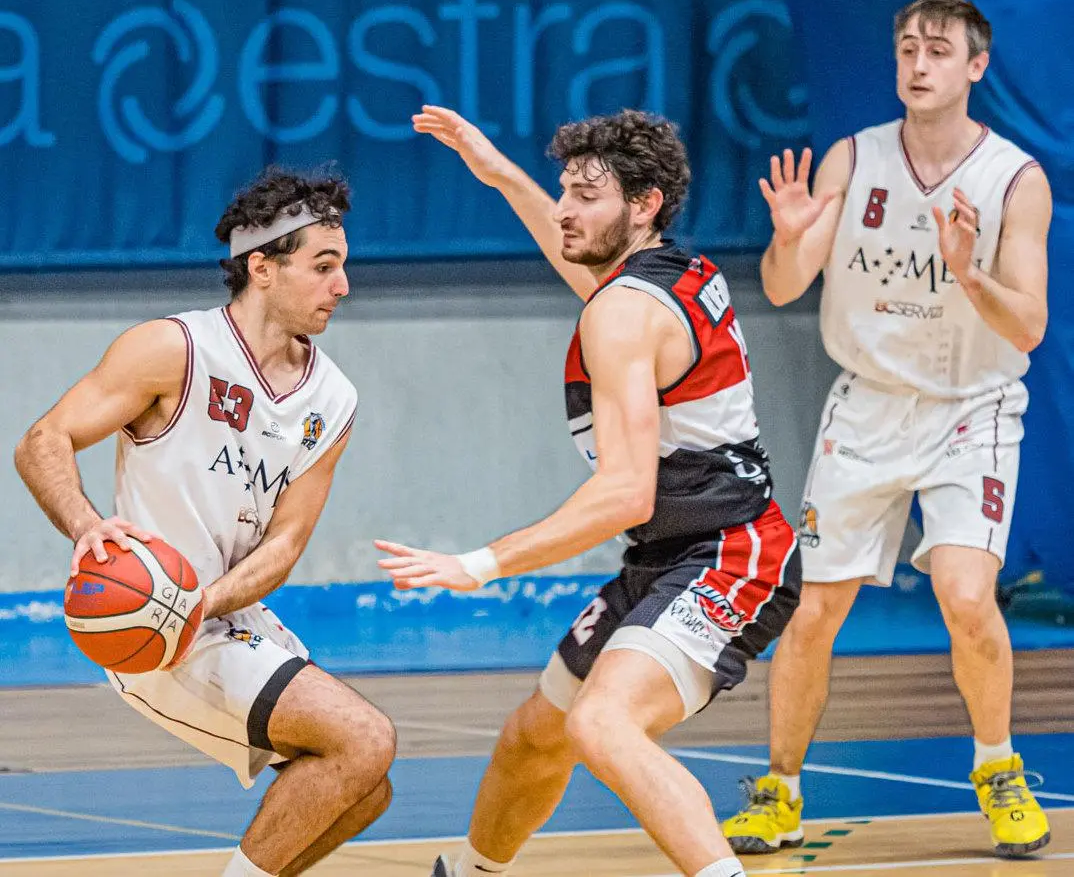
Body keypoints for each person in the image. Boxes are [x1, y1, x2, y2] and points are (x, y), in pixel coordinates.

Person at [376, 106, 802, 877]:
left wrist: (481, 562)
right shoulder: (661, 271)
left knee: (603, 724)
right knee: (535, 732)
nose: (566, 210)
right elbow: (580, 260)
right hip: (673, 553)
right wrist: (501, 171)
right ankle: (472, 870)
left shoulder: (623, 313)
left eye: (585, 195)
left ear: (643, 205)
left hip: (731, 555)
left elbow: (624, 496)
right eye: (563, 190)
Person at [720, 0, 1053, 859]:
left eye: (938, 50)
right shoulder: (851, 159)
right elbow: (787, 285)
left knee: (967, 597)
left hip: (970, 410)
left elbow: (1029, 326)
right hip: (868, 405)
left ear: (976, 67)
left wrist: (967, 275)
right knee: (814, 610)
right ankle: (780, 790)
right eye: (907, 47)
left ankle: (999, 768)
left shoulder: (1015, 178)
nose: (918, 63)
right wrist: (790, 239)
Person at [14, 169, 396, 877]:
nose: (342, 286)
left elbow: (286, 543)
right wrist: (85, 525)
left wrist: (207, 603)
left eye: (343, 266)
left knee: (365, 790)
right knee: (363, 740)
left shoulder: (334, 398)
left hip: (218, 614)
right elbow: (44, 440)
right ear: (263, 266)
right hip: (153, 628)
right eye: (323, 266)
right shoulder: (173, 350)